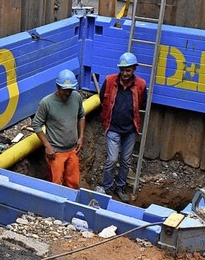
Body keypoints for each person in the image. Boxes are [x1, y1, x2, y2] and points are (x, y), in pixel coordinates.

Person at [97, 52, 147, 203]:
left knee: (125, 160)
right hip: (113, 127)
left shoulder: (141, 84)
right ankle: (107, 187)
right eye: (123, 70)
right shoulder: (109, 80)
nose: (125, 73)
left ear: (134, 70)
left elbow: (142, 103)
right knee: (112, 159)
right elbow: (101, 99)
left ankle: (120, 187)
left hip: (130, 129)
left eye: (128, 70)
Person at [32, 69, 85, 189]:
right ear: (57, 86)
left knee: (74, 183)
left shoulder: (76, 97)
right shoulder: (47, 103)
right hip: (56, 153)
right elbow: (36, 124)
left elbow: (81, 115)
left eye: (70, 90)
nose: (67, 93)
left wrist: (81, 137)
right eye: (65, 90)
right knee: (56, 186)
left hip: (72, 150)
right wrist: (47, 146)